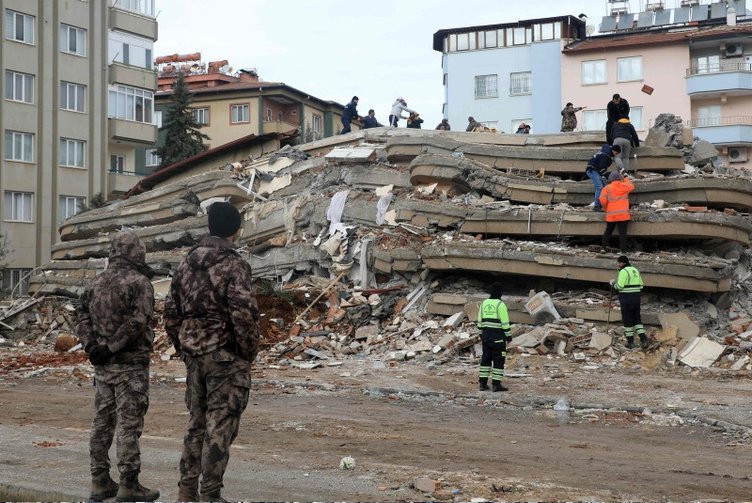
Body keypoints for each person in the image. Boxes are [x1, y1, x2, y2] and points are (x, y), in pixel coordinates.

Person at [164, 202, 260, 502]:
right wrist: (246, 352)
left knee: (196, 423)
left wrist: (184, 347)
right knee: (220, 424)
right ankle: (210, 494)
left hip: (194, 354)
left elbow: (170, 313)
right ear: (236, 229)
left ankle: (186, 491)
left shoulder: (186, 264)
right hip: (225, 356)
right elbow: (244, 314)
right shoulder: (235, 265)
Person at [77, 231, 159, 502]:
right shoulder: (140, 283)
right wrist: (112, 347)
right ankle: (128, 483)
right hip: (130, 366)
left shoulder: (95, 284)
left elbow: (81, 317)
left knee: (101, 422)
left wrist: (93, 347)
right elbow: (137, 322)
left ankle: (99, 481)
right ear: (138, 252)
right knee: (128, 424)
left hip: (103, 368)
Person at [476, 282, 511, 392]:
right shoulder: (500, 305)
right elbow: (505, 323)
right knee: (498, 361)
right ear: (500, 293)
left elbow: (479, 321)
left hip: (486, 336)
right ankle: (496, 385)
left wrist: (481, 334)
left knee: (485, 359)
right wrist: (508, 336)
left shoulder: (484, 303)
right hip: (498, 337)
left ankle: (482, 384)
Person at [610, 255, 648, 350]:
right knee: (637, 319)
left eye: (619, 263)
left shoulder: (623, 271)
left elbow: (620, 286)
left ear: (623, 263)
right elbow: (641, 286)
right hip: (636, 298)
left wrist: (613, 284)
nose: (618, 265)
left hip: (626, 299)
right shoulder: (635, 270)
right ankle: (644, 340)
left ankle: (630, 342)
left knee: (627, 320)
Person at [599, 170, 634, 253]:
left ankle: (604, 247)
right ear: (619, 178)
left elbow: (602, 199)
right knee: (622, 233)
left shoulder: (607, 188)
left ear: (610, 179)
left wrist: (606, 208)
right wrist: (625, 178)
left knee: (608, 231)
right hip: (623, 215)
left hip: (611, 215)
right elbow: (632, 186)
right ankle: (623, 251)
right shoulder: (624, 186)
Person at [585, 144, 622, 211]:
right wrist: (608, 175)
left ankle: (604, 204)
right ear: (613, 150)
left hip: (594, 170)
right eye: (616, 153)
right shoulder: (605, 156)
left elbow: (601, 168)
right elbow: (602, 169)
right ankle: (597, 206)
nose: (615, 155)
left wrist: (605, 175)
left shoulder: (605, 153)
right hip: (592, 170)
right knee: (599, 187)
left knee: (604, 186)